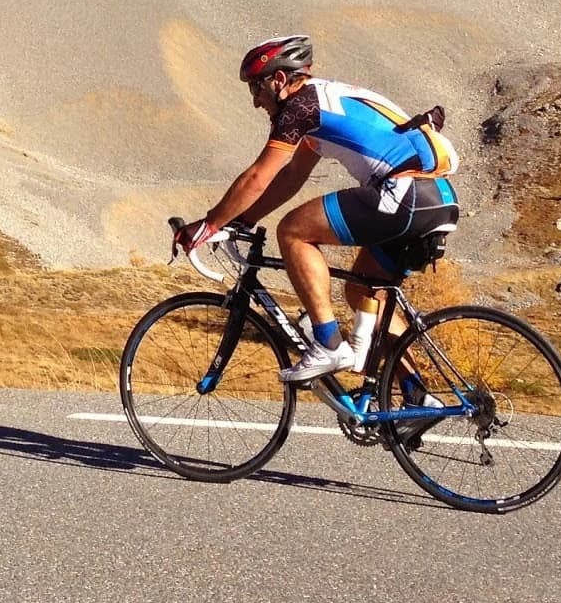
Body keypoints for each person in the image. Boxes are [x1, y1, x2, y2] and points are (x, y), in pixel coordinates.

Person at [174, 35, 459, 383]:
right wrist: (243, 220)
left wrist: (210, 225)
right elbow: (292, 176)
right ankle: (414, 391)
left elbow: (258, 177)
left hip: (403, 194)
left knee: (292, 231)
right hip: (437, 197)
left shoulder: (299, 108)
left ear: (278, 80)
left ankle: (327, 343)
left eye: (255, 89)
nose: (255, 102)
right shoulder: (324, 101)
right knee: (361, 291)